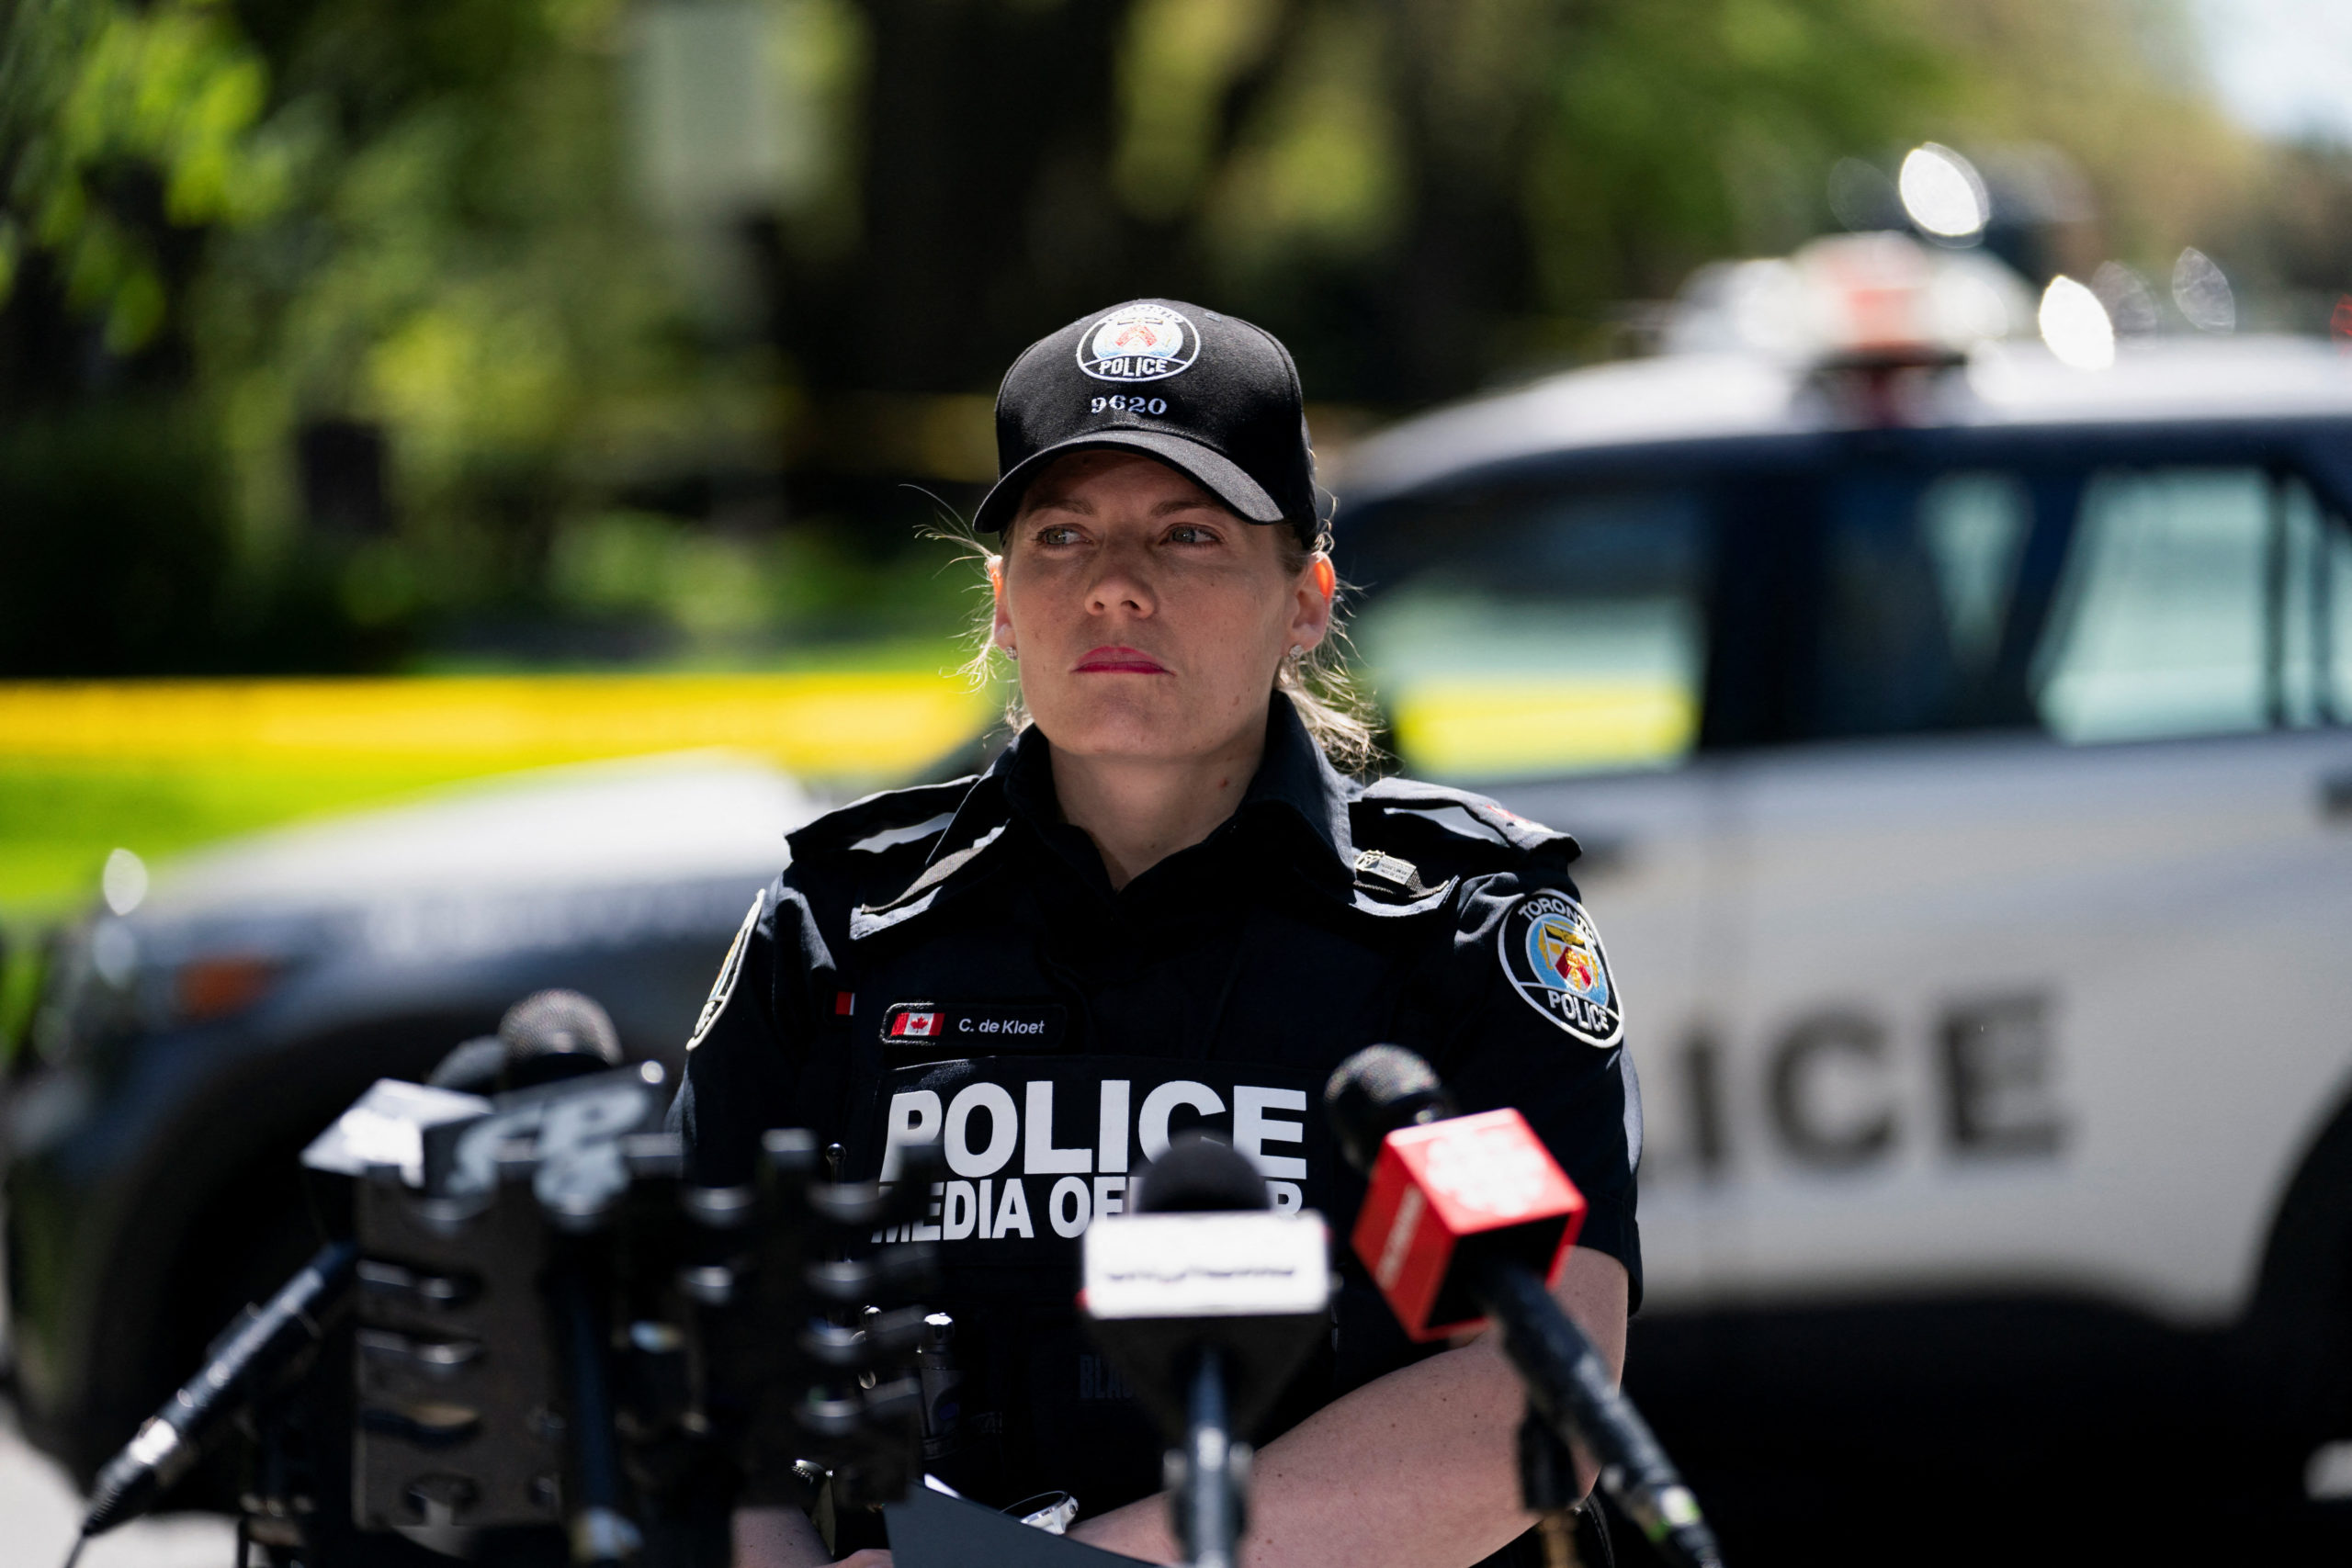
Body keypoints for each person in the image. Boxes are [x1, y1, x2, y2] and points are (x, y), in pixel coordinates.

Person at [669, 299, 1641, 1568]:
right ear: (1005, 601)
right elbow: (698, 1369)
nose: (1116, 584)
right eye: (1062, 535)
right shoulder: (843, 931)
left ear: (1306, 599)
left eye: (1187, 534)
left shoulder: (1457, 933)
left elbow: (1536, 1396)